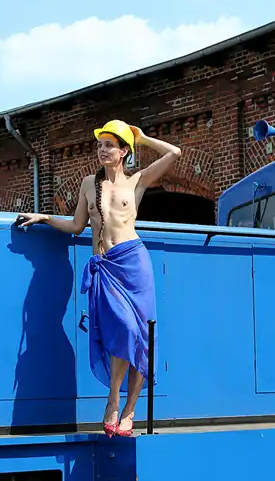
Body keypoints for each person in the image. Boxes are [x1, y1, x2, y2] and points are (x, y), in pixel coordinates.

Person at [17, 119, 181, 437]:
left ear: (123, 152)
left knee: (140, 338)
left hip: (134, 264)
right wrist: (45, 217)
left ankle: (129, 412)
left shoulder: (137, 182)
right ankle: (113, 401)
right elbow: (78, 226)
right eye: (100, 145)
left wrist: (143, 139)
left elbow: (174, 152)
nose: (102, 150)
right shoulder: (87, 184)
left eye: (109, 145)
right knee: (120, 331)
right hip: (106, 267)